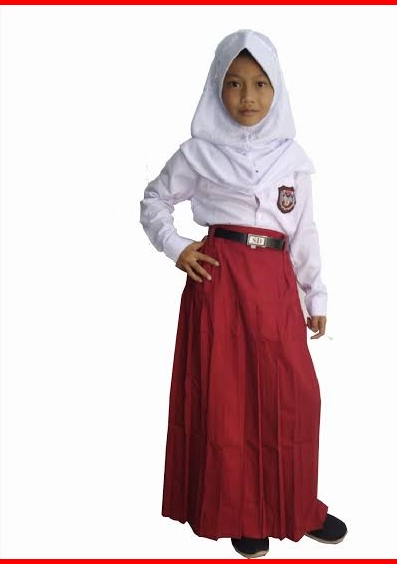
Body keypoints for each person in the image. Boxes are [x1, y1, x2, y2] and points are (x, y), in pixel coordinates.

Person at [140, 29, 347, 559]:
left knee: (294, 396)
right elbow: (154, 200)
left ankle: (296, 506)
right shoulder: (198, 154)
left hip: (275, 284)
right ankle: (241, 513)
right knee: (228, 402)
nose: (247, 97)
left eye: (259, 84)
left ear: (277, 88)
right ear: (217, 87)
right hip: (220, 283)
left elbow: (303, 231)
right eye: (233, 84)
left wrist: (316, 296)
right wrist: (177, 247)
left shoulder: (292, 159)